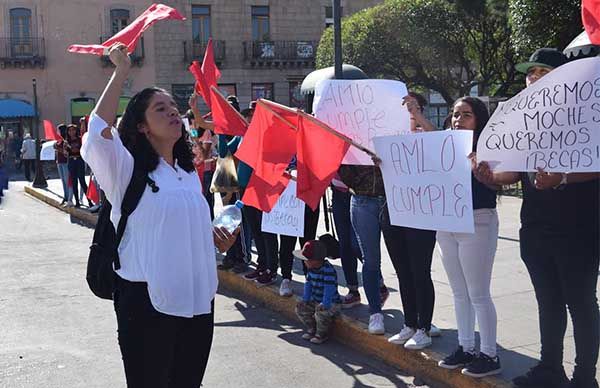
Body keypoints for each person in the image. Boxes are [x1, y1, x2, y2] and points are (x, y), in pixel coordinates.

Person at [80, 43, 238, 388]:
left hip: (198, 301)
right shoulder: (126, 170)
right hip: (146, 304)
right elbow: (97, 135)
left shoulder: (185, 172)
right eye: (160, 108)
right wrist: (121, 71)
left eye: (173, 107)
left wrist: (213, 241)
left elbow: (175, 229)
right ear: (141, 126)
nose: (172, 112)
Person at [475, 48, 600, 388]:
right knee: (548, 302)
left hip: (578, 229)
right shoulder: (527, 120)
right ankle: (550, 368)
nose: (533, 78)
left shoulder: (588, 115)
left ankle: (585, 378)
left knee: (581, 303)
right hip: (534, 228)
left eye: (542, 71)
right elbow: (514, 173)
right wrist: (489, 177)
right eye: (530, 73)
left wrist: (562, 178)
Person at [435, 97, 501, 377]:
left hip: (477, 221)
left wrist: (480, 169)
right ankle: (466, 347)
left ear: (480, 120)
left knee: (478, 293)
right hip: (446, 223)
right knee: (459, 292)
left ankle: (489, 353)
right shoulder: (442, 147)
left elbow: (500, 179)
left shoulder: (490, 147)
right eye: (455, 114)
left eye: (466, 115)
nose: (458, 120)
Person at [294, 240, 342, 344]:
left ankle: (322, 334)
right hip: (316, 300)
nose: (305, 262)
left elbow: (329, 289)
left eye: (307, 260)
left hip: (331, 302)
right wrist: (305, 299)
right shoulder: (310, 270)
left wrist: (325, 303)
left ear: (316, 260)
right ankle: (312, 328)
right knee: (300, 308)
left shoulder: (328, 270)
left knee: (321, 313)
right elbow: (308, 284)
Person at [65, 124, 91, 207]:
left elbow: (84, 150)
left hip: (79, 161)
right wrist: (65, 149)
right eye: (69, 130)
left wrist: (77, 150)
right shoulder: (66, 141)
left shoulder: (80, 139)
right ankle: (77, 202)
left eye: (73, 130)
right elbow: (66, 154)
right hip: (71, 161)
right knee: (74, 182)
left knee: (82, 181)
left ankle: (89, 201)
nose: (71, 132)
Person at [54, 124, 73, 206]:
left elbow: (67, 153)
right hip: (59, 162)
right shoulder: (59, 140)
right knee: (63, 181)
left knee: (67, 180)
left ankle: (69, 198)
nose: (57, 132)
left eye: (58, 130)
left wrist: (58, 149)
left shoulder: (66, 140)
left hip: (66, 162)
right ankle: (65, 196)